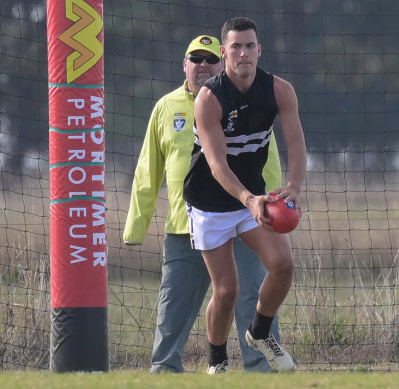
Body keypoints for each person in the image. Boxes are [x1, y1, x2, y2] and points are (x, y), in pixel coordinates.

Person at [122, 34, 283, 373]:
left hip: (243, 219)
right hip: (186, 225)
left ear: (221, 61)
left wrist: (270, 208)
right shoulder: (165, 107)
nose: (203, 65)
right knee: (174, 307)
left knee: (248, 296)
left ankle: (260, 371)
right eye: (195, 59)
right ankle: (165, 371)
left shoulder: (245, 100)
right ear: (185, 65)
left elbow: (265, 162)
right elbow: (147, 171)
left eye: (209, 58)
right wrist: (136, 226)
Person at [183, 17, 307, 374]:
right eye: (235, 47)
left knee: (283, 266)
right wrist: (249, 200)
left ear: (259, 50)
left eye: (250, 46)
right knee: (227, 291)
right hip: (210, 201)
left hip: (251, 198)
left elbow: (296, 143)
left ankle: (260, 333)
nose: (244, 53)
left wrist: (294, 187)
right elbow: (218, 164)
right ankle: (217, 362)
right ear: (224, 54)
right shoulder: (209, 98)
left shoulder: (279, 90)